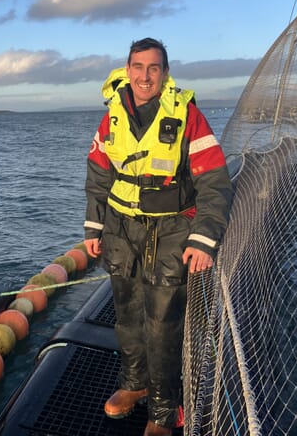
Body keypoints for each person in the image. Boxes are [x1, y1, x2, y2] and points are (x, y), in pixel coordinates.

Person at [84, 38, 233, 436]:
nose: (144, 76)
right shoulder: (113, 114)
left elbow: (215, 181)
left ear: (164, 73)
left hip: (170, 231)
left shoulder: (187, 114)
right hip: (120, 228)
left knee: (163, 324)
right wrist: (93, 227)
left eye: (153, 68)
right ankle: (134, 386)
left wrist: (203, 238)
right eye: (138, 67)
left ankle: (164, 411)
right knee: (127, 315)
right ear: (127, 69)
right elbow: (98, 173)